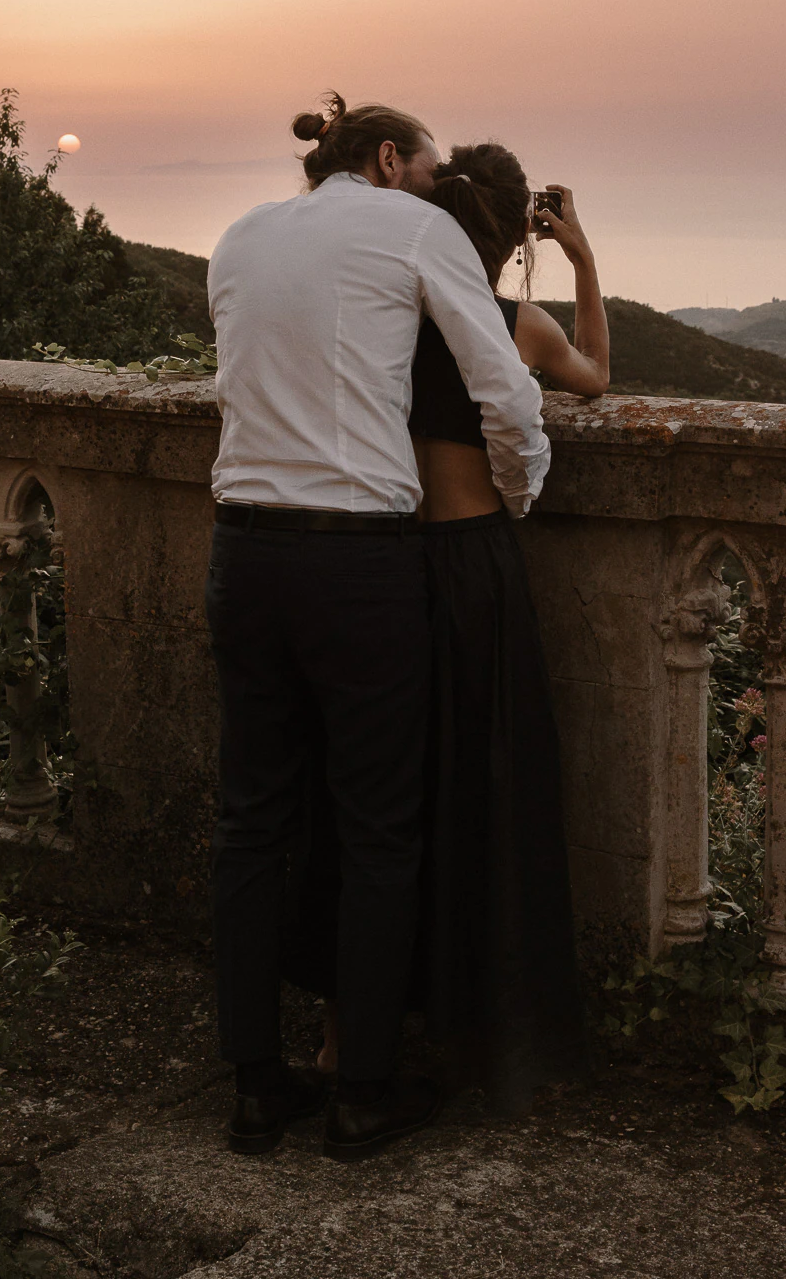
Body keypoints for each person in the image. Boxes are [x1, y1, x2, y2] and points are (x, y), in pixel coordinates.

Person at [205, 95, 551, 1161]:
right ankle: (360, 1090)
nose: (444, 187)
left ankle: (256, 1084)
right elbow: (501, 385)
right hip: (356, 560)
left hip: (242, 550)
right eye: (431, 169)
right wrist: (522, 490)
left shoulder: (240, 234)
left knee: (254, 822)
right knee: (376, 826)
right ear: (390, 157)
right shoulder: (415, 225)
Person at [301, 142, 609, 1115]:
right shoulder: (510, 326)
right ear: (518, 224)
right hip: (476, 564)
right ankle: (483, 1035)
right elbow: (595, 376)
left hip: (387, 559)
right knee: (484, 794)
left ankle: (344, 1031)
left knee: (376, 799)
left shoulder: (392, 325)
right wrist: (584, 258)